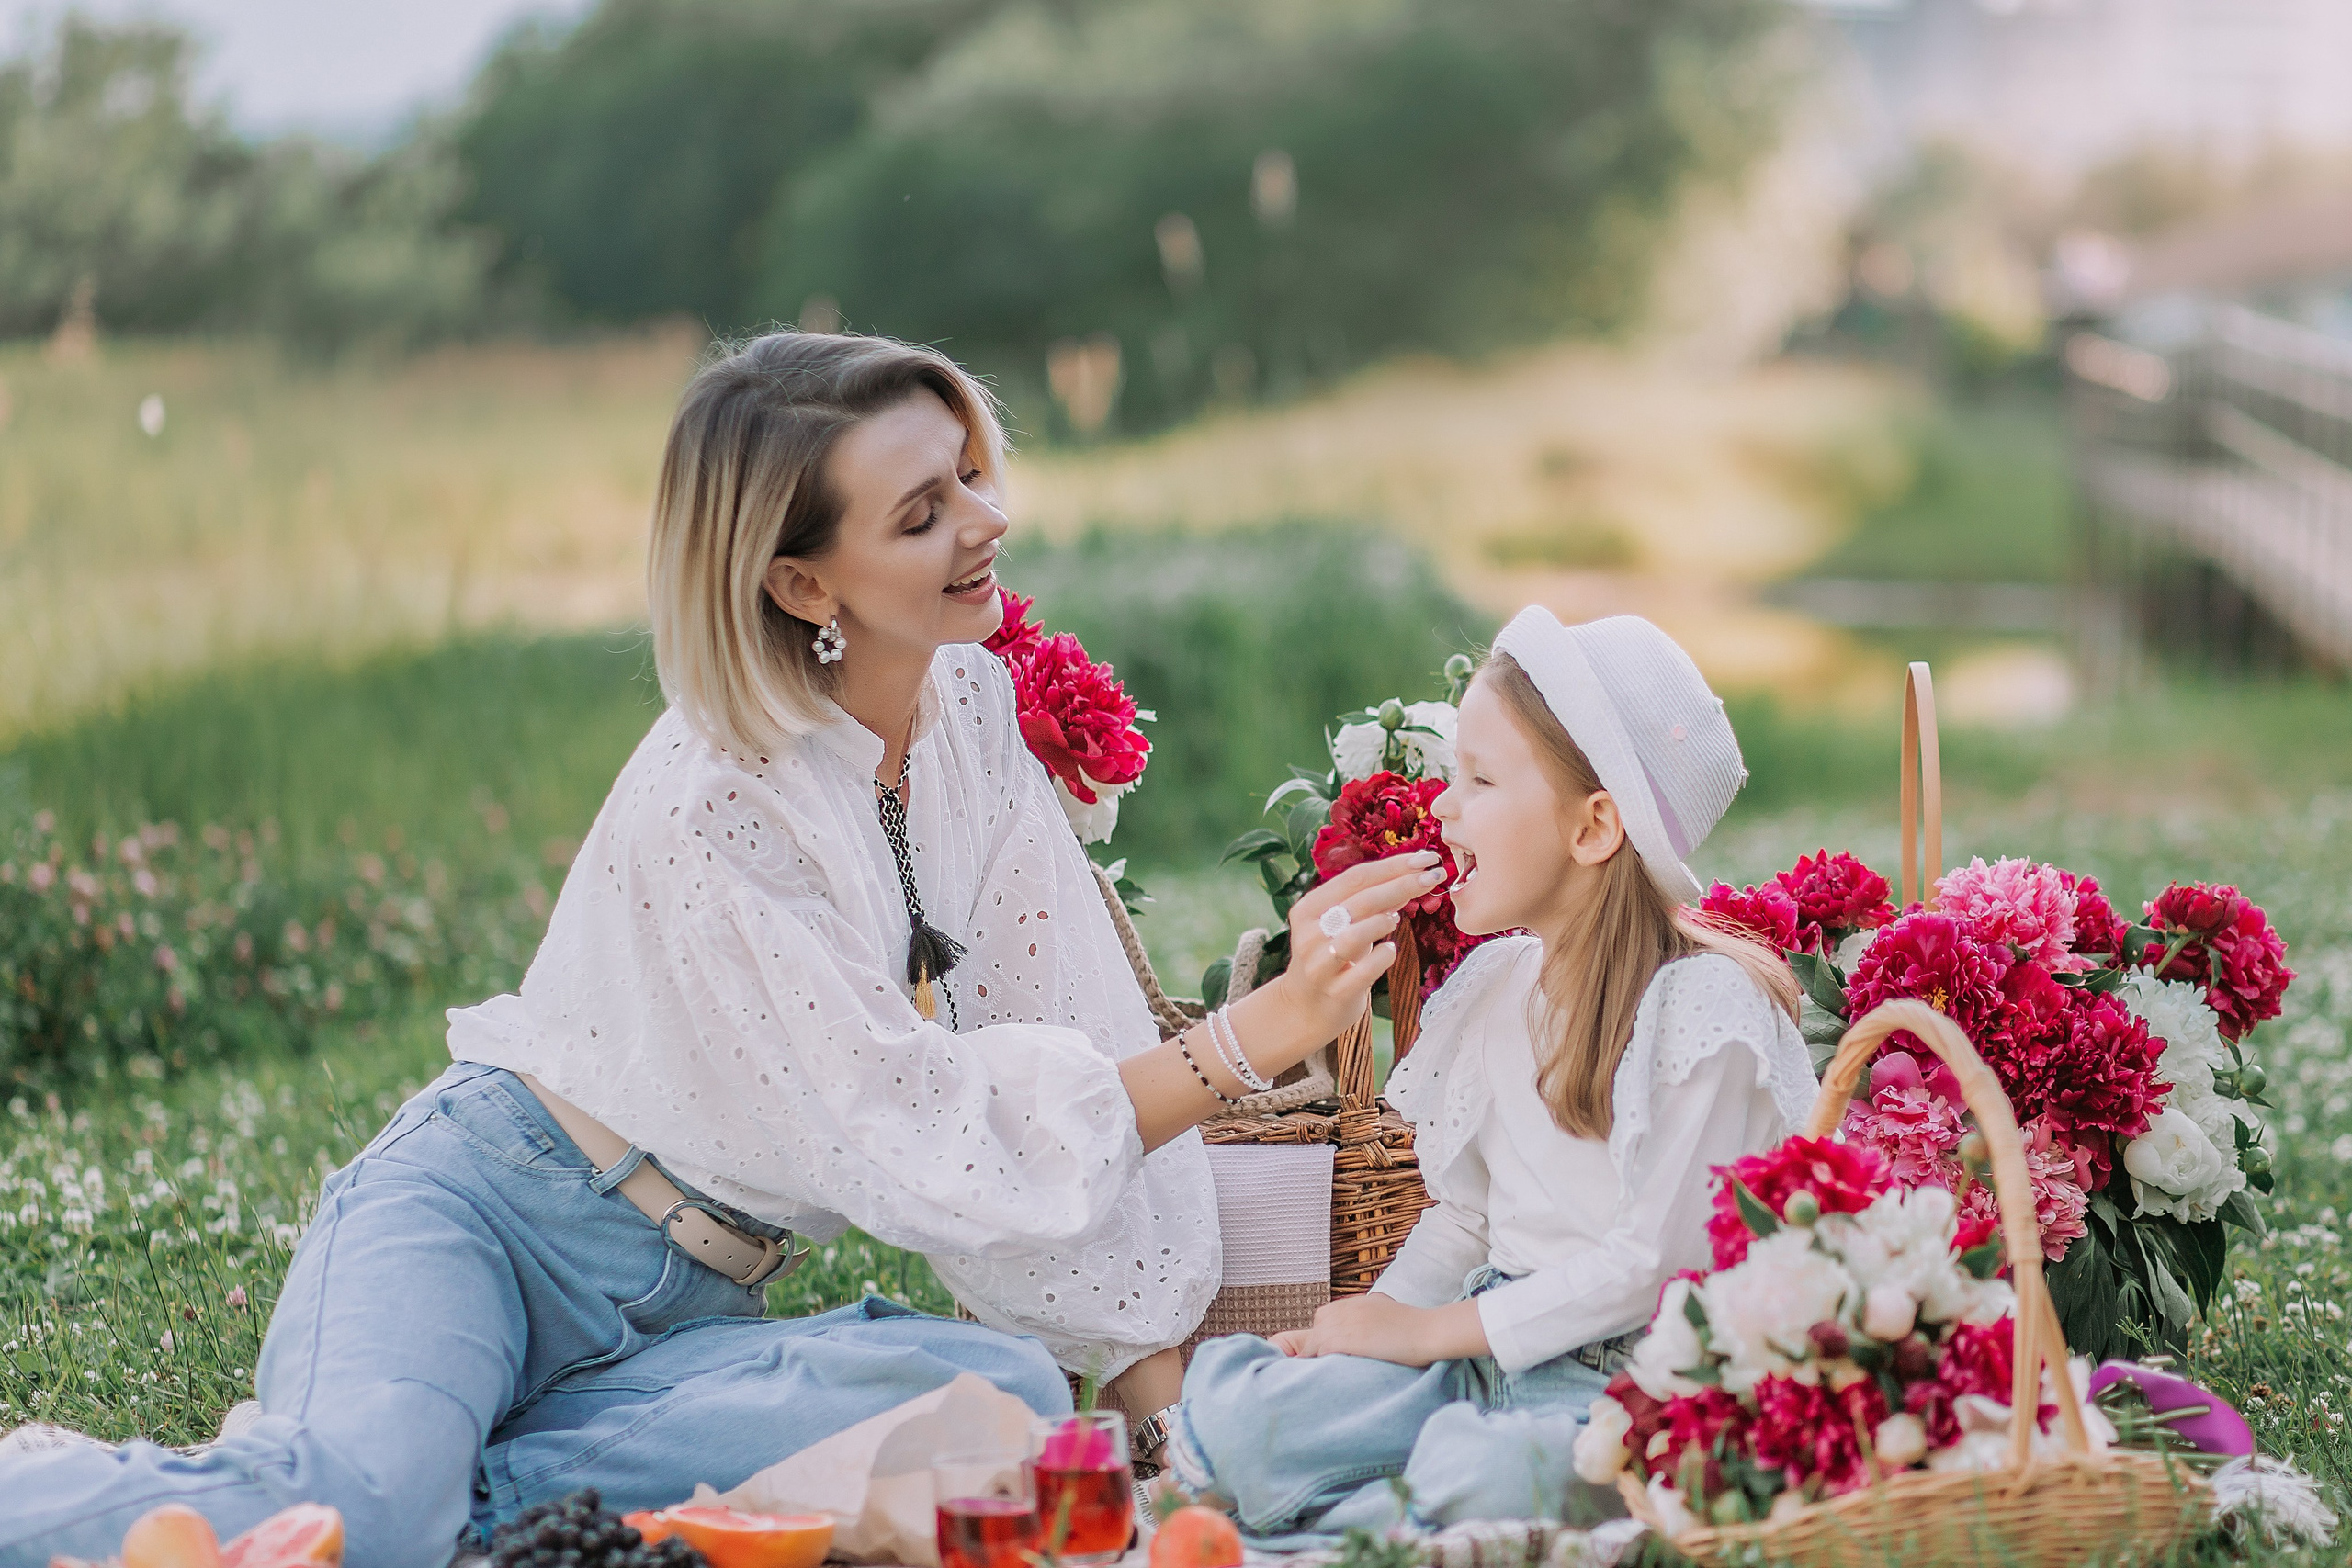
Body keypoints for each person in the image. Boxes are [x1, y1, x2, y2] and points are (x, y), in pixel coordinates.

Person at [0, 333, 1448, 1568]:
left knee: (1004, 1397)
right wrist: (1249, 1035)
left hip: (691, 1303)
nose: (982, 522)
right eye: (921, 510)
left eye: (971, 475)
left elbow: (1058, 1016)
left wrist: (1161, 1422)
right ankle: (289, 1492)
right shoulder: (719, 804)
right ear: (803, 585)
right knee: (356, 1501)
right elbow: (915, 1125)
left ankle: (473, 1481)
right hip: (492, 1216)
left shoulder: (974, 721)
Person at [1167, 609, 1818, 1541]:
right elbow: (1464, 1219)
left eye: (1477, 780)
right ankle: (1390, 1507)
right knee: (1250, 1406)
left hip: (1638, 1385)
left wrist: (1425, 1338)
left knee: (1483, 1468)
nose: (1441, 808)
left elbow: (1647, 1267)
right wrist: (1371, 1324)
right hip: (1483, 1351)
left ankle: (1388, 1513)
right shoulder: (1499, 986)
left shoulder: (1702, 1008)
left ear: (1593, 828)